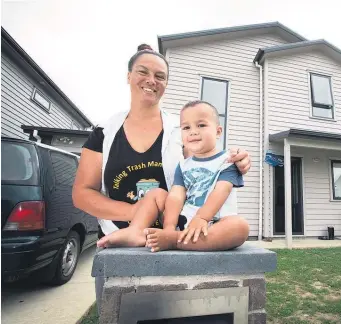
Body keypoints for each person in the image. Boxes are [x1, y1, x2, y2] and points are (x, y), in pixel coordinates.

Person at [72, 44, 252, 314]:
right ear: (129, 76)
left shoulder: (180, 130)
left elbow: (209, 155)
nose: (151, 81)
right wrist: (135, 213)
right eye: (143, 72)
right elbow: (82, 194)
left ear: (166, 84)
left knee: (176, 314)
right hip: (121, 243)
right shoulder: (104, 131)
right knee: (121, 315)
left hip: (180, 239)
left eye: (160, 76)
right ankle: (136, 232)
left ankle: (170, 236)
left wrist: (237, 156)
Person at [95, 100, 249, 252]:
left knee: (239, 227)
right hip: (184, 220)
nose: (193, 131)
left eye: (201, 125)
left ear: (218, 131)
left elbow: (221, 191)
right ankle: (136, 230)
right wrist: (169, 226)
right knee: (157, 194)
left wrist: (202, 218)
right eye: (186, 127)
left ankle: (175, 241)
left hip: (214, 224)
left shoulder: (228, 160)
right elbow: (176, 196)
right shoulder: (183, 165)